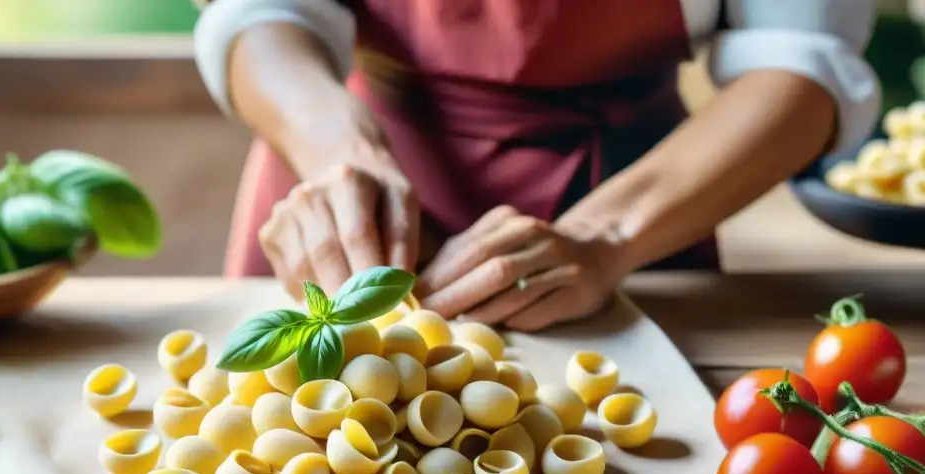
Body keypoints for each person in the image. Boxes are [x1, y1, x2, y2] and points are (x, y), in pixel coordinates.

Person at [193, 0, 878, 331]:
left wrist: (603, 238)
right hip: (343, 179)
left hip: (640, 203)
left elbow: (800, 64)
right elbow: (260, 11)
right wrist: (335, 153)